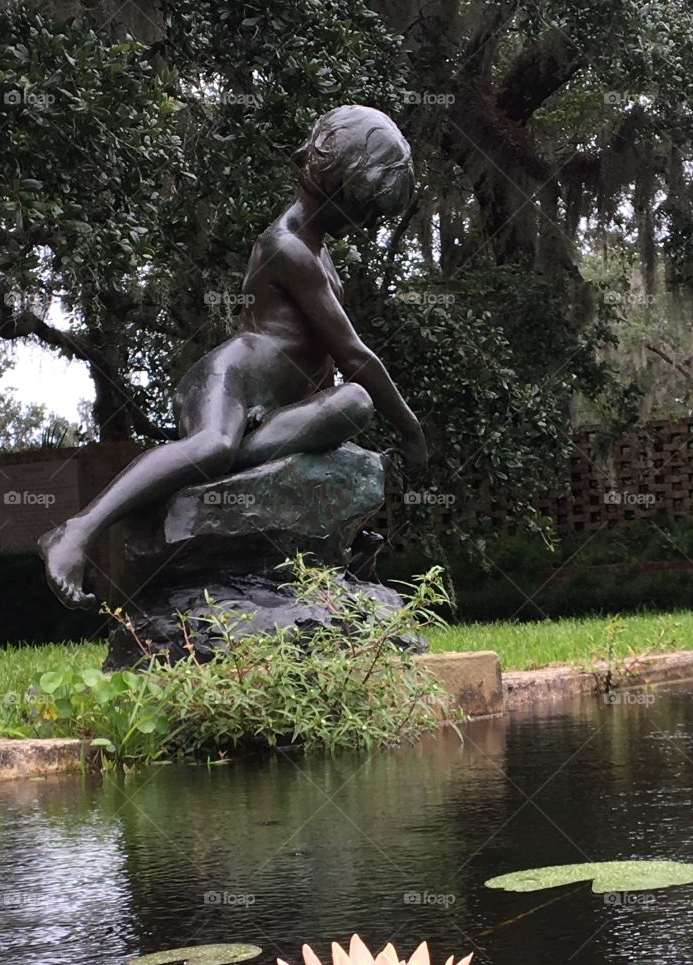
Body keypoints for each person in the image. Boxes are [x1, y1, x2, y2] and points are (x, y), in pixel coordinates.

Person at [39, 104, 428, 608]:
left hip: (271, 405)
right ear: (339, 180)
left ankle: (237, 466)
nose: (367, 222)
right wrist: (411, 430)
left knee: (352, 405)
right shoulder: (286, 246)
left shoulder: (319, 249)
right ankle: (76, 531)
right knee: (216, 446)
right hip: (229, 380)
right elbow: (353, 354)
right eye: (365, 206)